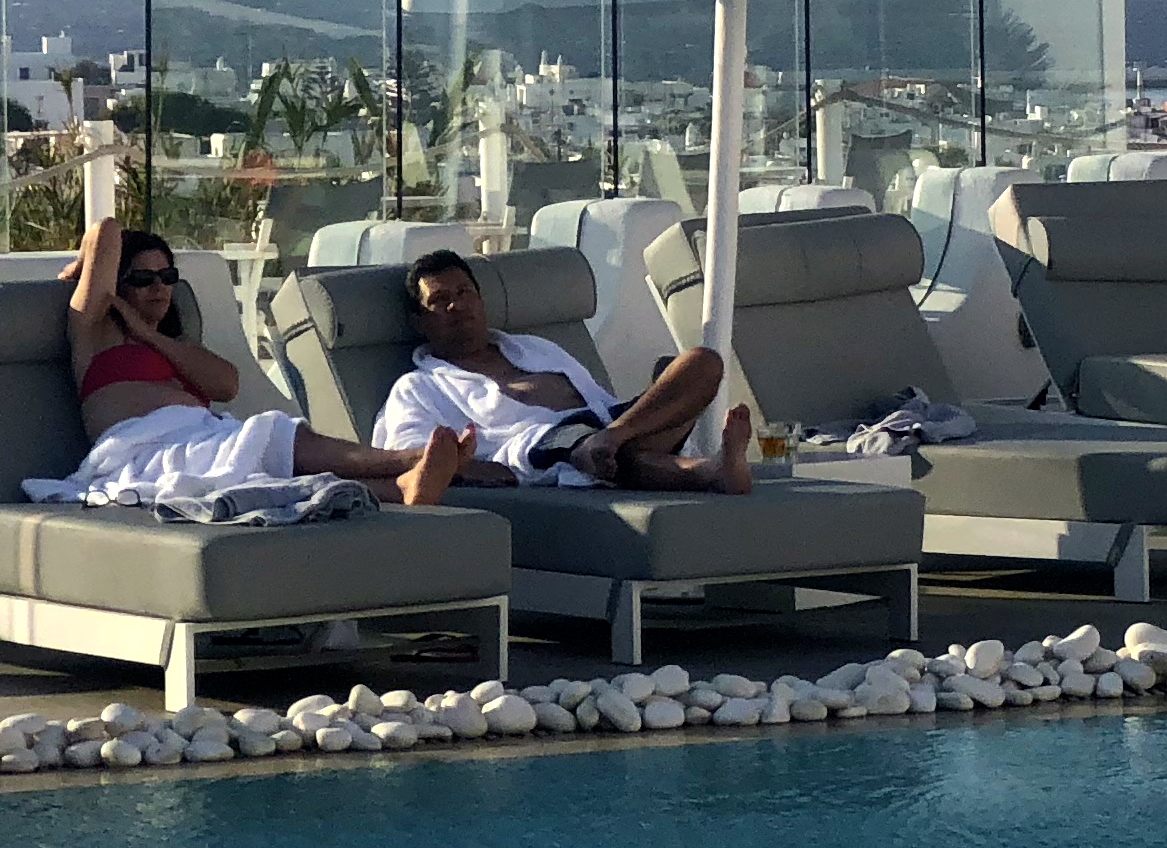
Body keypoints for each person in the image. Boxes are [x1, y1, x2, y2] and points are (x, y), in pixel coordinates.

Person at [19, 219, 472, 509]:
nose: (159, 287)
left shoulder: (169, 343)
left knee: (268, 471)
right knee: (274, 436)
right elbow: (106, 231)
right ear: (118, 282)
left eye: (167, 277)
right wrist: (82, 264)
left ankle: (402, 486)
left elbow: (227, 384)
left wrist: (151, 335)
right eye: (142, 278)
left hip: (202, 434)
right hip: (145, 450)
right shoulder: (92, 329)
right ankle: (414, 457)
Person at [374, 248, 754, 494]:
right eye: (440, 300)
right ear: (419, 321)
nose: (458, 306)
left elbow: (600, 400)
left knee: (702, 362)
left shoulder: (536, 348)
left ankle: (615, 444)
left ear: (481, 299)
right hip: (542, 446)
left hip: (608, 426)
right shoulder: (418, 387)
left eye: (465, 292)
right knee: (601, 453)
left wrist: (620, 430)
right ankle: (707, 471)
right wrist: (480, 469)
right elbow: (413, 457)